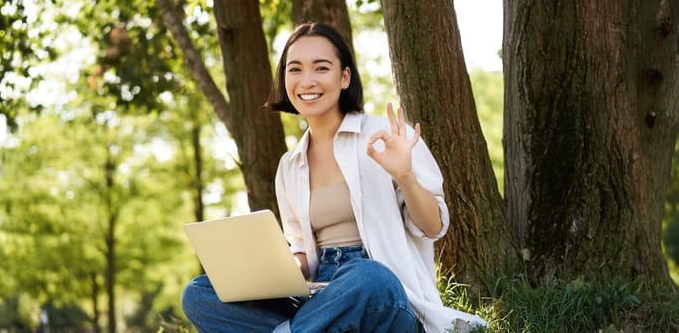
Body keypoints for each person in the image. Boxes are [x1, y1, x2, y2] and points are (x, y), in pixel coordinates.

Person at [181, 22, 486, 332]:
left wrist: (405, 175)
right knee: (199, 294)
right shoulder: (290, 165)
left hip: (385, 298)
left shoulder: (388, 137)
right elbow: (302, 254)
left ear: (344, 78)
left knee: (369, 276)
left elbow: (433, 227)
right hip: (322, 298)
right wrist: (271, 270)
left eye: (321, 68)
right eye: (295, 69)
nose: (307, 81)